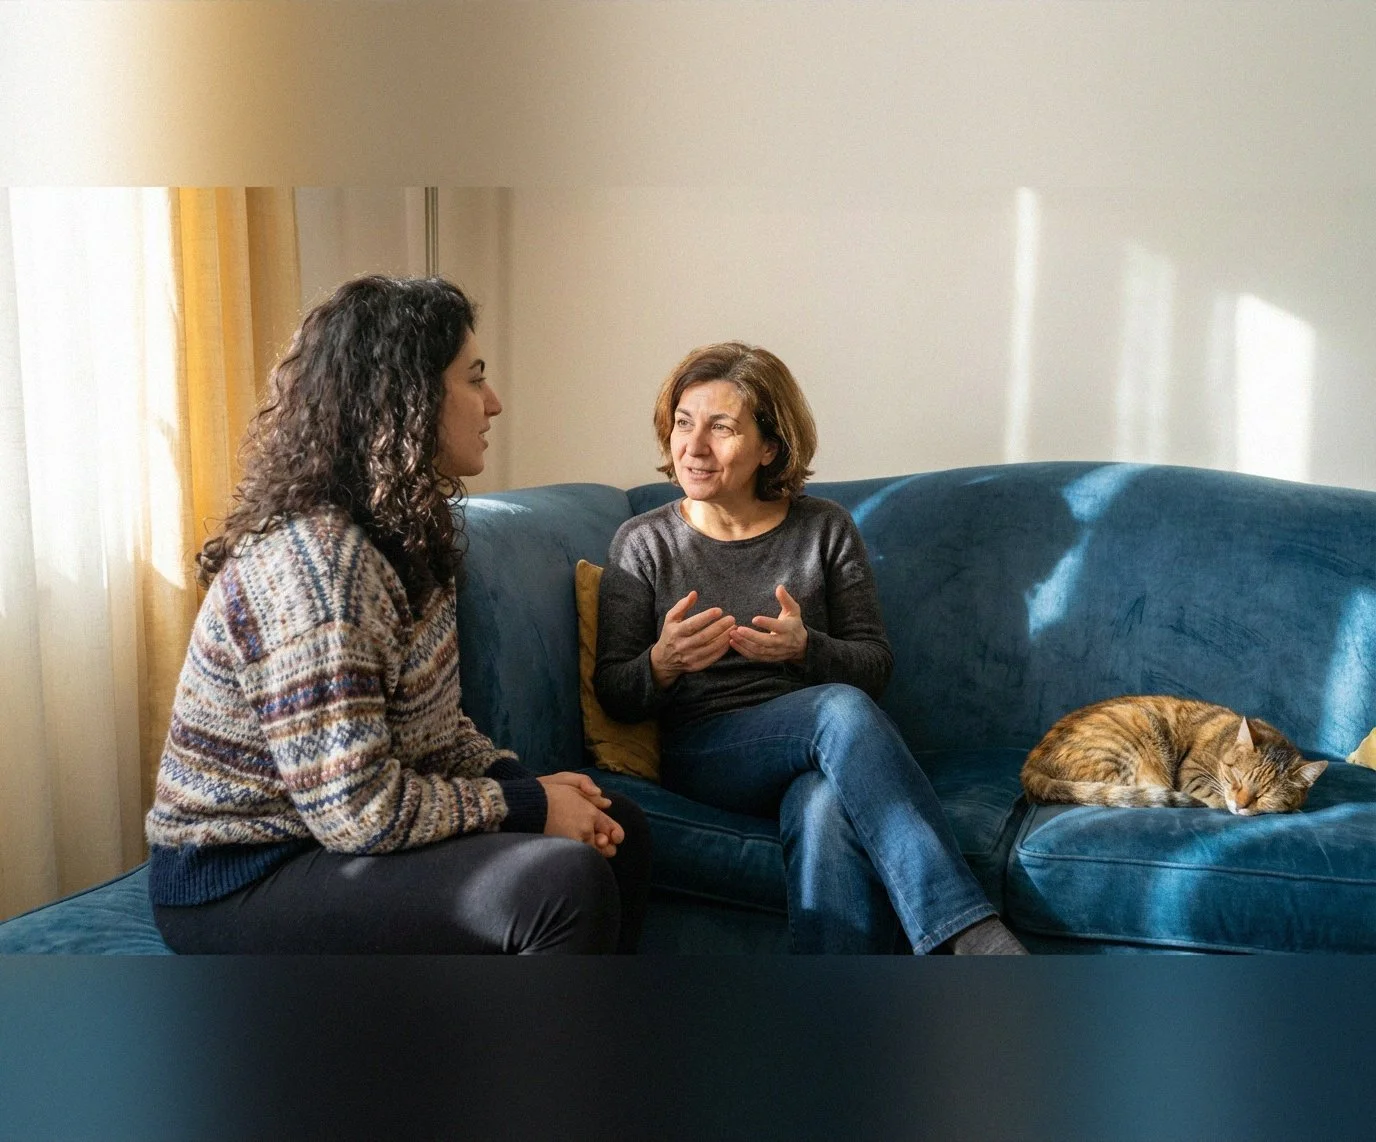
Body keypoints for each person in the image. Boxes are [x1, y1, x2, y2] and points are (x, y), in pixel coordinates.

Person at [146, 275, 650, 954]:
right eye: (474, 379)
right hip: (243, 872)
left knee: (619, 828)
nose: (494, 403)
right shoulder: (320, 567)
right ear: (409, 399)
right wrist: (527, 806)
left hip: (328, 837)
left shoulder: (404, 537)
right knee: (564, 883)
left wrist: (519, 783)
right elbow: (356, 812)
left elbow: (433, 733)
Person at [594, 342, 1024, 954]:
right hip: (708, 751)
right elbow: (614, 689)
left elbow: (874, 666)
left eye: (722, 428)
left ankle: (833, 1008)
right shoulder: (643, 543)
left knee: (822, 804)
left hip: (820, 754)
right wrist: (662, 664)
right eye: (684, 423)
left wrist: (805, 650)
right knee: (838, 709)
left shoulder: (824, 528)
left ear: (770, 446)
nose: (693, 447)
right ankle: (968, 933)